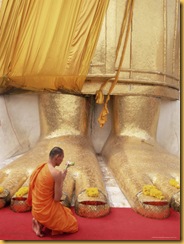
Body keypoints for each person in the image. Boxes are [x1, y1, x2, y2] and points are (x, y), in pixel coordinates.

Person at [27, 146, 78, 237]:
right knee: (72, 225)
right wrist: (61, 180)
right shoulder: (56, 173)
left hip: (36, 208)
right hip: (46, 210)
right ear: (57, 157)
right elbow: (57, 198)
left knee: (67, 212)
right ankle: (41, 221)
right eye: (62, 157)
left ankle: (39, 222)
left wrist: (60, 178)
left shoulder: (42, 166)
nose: (62, 160)